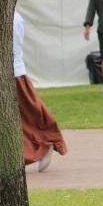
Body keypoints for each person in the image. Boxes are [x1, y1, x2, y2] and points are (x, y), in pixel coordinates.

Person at [14, 11, 68, 172]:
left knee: (32, 112)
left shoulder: (13, 18)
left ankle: (49, 140)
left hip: (13, 73)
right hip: (7, 73)